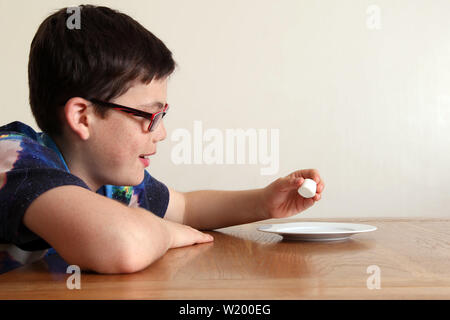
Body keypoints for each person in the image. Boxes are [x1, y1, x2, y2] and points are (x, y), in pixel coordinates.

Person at [0, 5, 324, 275]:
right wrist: (168, 233)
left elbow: (185, 207)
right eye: (148, 115)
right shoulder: (14, 158)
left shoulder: (110, 181)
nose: (162, 132)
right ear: (82, 117)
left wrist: (264, 202)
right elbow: (123, 243)